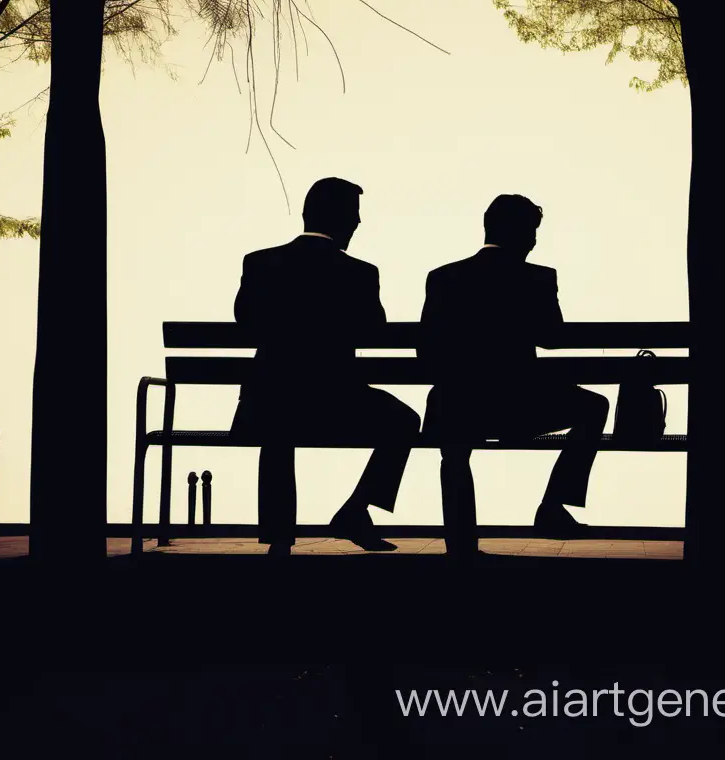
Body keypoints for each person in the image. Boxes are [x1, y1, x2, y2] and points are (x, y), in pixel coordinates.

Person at [231, 177, 419, 556]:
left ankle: (279, 537)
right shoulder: (360, 273)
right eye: (356, 214)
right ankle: (356, 509)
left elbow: (243, 320)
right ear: (343, 218)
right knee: (404, 421)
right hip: (334, 404)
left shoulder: (260, 262)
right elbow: (376, 332)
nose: (359, 223)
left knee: (278, 421)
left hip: (264, 403)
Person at [418, 194, 608, 555]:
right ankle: (553, 505)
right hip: (519, 408)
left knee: (454, 454)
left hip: (455, 407)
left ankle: (461, 546)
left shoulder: (443, 277)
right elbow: (552, 338)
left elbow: (426, 352)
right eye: (533, 232)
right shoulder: (537, 278)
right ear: (522, 234)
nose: (535, 241)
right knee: (594, 406)